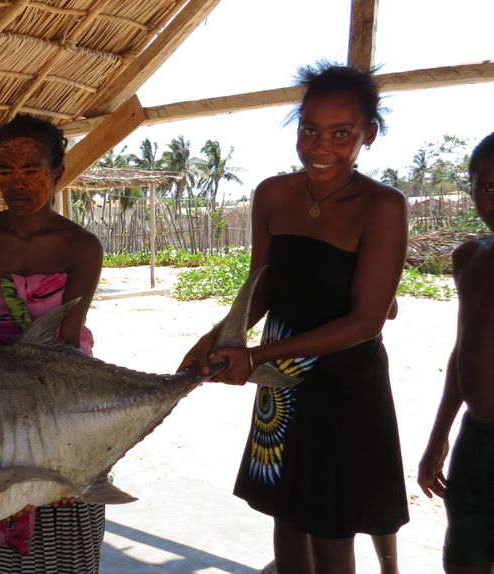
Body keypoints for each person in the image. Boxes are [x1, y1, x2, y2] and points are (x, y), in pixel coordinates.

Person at [180, 63, 410, 574]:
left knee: (331, 530)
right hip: (279, 382)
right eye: (309, 129)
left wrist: (256, 355)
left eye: (341, 133)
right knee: (286, 512)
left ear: (367, 135)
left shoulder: (382, 206)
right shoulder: (272, 194)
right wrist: (217, 335)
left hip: (344, 382)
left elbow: (367, 322)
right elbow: (263, 288)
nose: (319, 146)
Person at [0, 113, 104, 574]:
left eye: (31, 169)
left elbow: (66, 343)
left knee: (56, 514)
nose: (16, 183)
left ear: (57, 173)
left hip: (60, 401)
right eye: (4, 170)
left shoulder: (81, 246)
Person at [418, 132, 494, 574]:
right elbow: (461, 355)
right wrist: (438, 438)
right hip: (475, 439)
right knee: (463, 560)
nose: (493, 199)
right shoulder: (469, 258)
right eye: (485, 187)